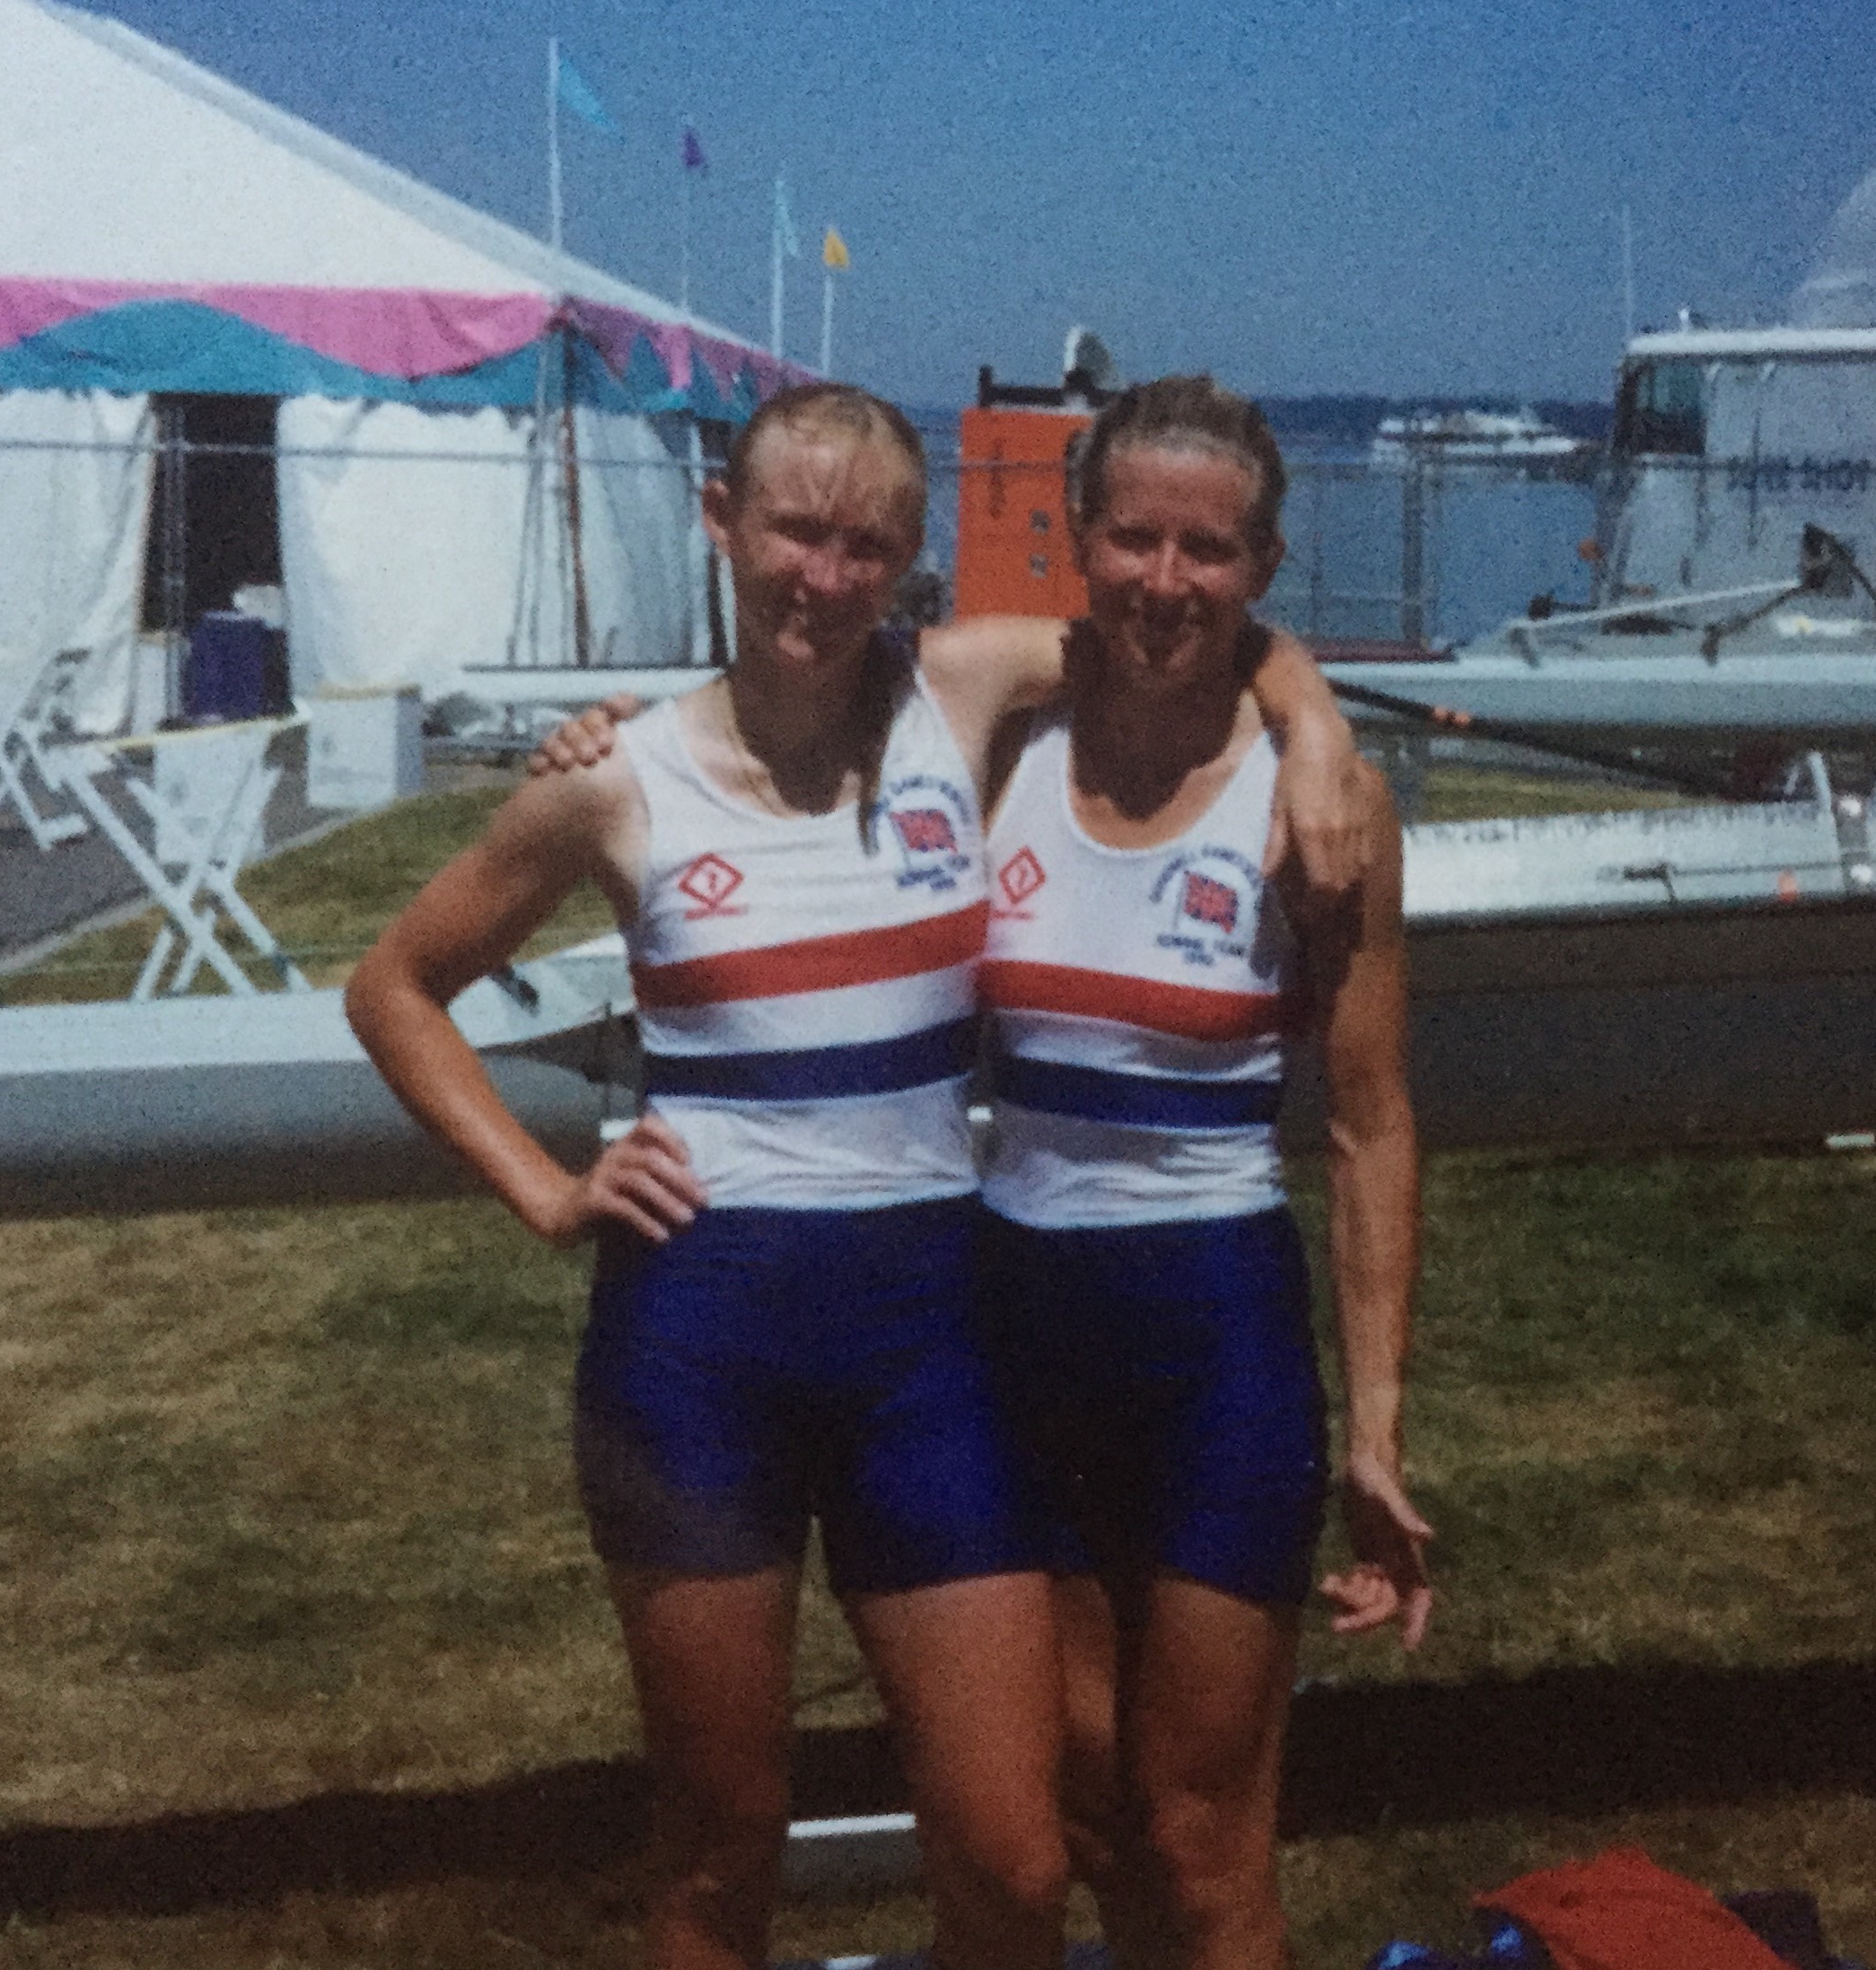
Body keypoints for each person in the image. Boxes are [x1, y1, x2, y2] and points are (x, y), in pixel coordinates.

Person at [348, 382, 1367, 1970]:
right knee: (716, 1844)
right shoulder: (614, 775)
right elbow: (394, 984)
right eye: (791, 531)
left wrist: (1311, 724)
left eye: (865, 544)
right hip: (698, 1349)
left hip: (925, 1350)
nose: (821, 575)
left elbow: (1201, 615)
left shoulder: (953, 691)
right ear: (720, 524)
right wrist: (546, 1189)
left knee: (1018, 1857)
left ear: (907, 564)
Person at [976, 376, 1429, 1970]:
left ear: (1262, 567)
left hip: (1209, 1341)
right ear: (1076, 538)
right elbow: (787, 704)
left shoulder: (1320, 801)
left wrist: (1372, 1425)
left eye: (1207, 549)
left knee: (1204, 1831)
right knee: (1084, 1810)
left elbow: (1369, 1121)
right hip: (1017, 1327)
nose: (1165, 579)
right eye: (1132, 536)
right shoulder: (995, 741)